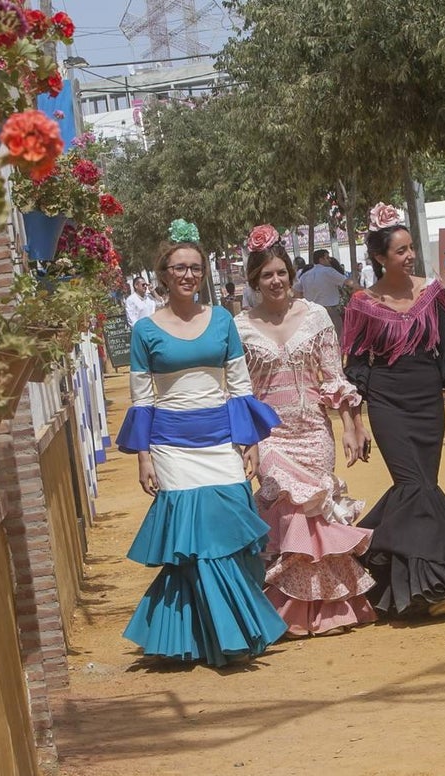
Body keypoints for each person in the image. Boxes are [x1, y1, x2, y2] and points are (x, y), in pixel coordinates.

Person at [115, 218, 287, 666]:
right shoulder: (145, 330)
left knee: (228, 531)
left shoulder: (222, 320)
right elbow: (142, 398)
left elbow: (239, 385)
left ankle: (215, 633)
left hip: (221, 442)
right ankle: (220, 637)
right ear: (164, 274)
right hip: (171, 446)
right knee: (195, 541)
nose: (188, 275)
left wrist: (249, 441)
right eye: (179, 267)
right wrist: (144, 458)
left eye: (195, 267)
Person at [343, 202, 445, 618]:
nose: (409, 256)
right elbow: (355, 365)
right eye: (400, 250)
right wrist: (356, 421)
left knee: (424, 486)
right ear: (379, 257)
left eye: (411, 249)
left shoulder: (432, 292)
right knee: (413, 485)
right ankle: (434, 586)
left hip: (428, 400)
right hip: (386, 400)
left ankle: (379, 549)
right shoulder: (362, 303)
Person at [235, 224, 377, 637]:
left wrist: (351, 425)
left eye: (281, 272)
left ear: (291, 275)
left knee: (317, 513)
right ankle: (289, 614)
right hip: (269, 436)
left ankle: (330, 612)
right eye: (266, 275)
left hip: (314, 431)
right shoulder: (239, 327)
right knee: (289, 511)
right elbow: (237, 389)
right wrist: (244, 441)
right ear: (254, 281)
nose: (275, 281)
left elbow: (333, 377)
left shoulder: (315, 316)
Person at [295, 248, 354, 330]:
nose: (329, 260)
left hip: (312, 312)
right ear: (321, 259)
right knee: (336, 334)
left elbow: (297, 291)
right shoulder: (328, 271)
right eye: (327, 257)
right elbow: (348, 283)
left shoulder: (305, 275)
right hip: (330, 310)